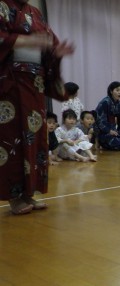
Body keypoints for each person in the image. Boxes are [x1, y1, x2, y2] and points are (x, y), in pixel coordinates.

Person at [0, 0, 75, 215]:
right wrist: (24, 41)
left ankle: (28, 193)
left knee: (34, 139)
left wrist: (55, 51)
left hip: (34, 84)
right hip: (10, 85)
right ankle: (14, 197)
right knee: (12, 140)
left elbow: (48, 42)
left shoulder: (35, 12)